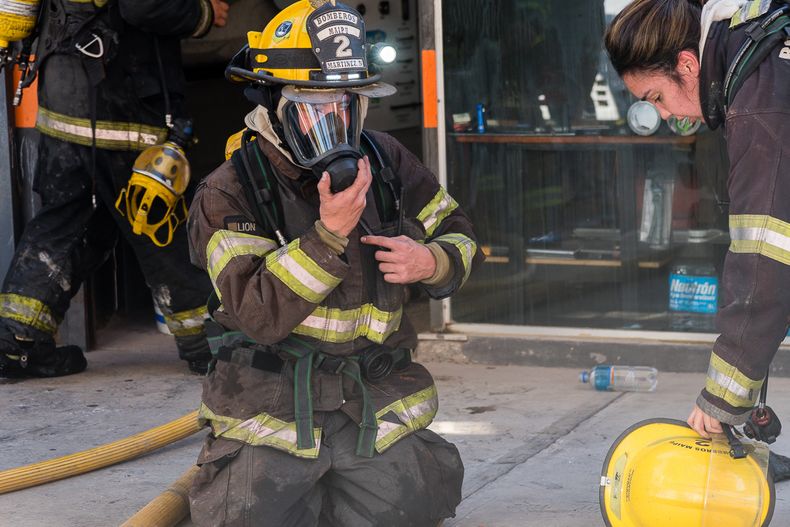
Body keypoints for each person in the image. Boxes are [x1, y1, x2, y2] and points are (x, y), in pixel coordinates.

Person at [186, 1, 481, 524]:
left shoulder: (387, 161)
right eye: (309, 108)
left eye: (343, 107)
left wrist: (432, 261)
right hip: (272, 406)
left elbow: (458, 232)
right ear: (272, 104)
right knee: (242, 516)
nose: (330, 125)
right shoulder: (228, 192)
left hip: (370, 398)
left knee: (421, 503)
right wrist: (327, 237)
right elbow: (257, 315)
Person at [604, 0, 790, 477]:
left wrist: (722, 398)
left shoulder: (760, 100)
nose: (665, 115)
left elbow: (764, 259)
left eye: (657, 97)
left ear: (687, 65)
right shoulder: (760, 48)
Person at [0, 0, 231, 378]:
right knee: (158, 222)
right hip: (122, 101)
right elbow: (144, 7)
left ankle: (18, 341)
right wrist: (201, 13)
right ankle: (208, 343)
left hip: (62, 97)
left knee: (66, 224)